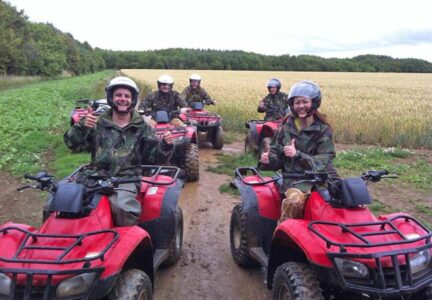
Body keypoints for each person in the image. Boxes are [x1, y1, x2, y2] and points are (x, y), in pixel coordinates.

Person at [63, 76, 174, 226]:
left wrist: (165, 146)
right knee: (64, 203)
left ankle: (128, 245)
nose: (123, 99)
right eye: (118, 95)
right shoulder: (97, 123)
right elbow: (73, 145)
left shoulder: (143, 128)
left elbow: (153, 158)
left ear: (133, 99)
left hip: (125, 179)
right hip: (94, 176)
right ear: (111, 98)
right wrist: (80, 128)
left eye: (127, 96)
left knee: (124, 209)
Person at [260, 80, 337, 221]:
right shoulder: (285, 128)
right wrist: (268, 159)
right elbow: (276, 154)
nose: (301, 106)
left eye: (304, 102)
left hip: (320, 180)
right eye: (297, 103)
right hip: (295, 180)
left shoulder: (323, 130)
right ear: (292, 105)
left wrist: (298, 155)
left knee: (349, 201)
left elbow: (325, 159)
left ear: (314, 103)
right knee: (294, 202)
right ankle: (283, 236)